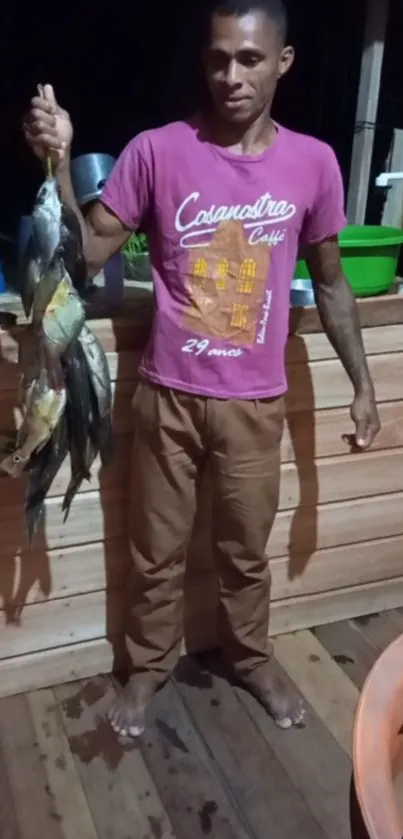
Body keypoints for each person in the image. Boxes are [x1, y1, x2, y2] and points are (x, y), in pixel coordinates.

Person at [23, 0, 380, 737]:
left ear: (282, 62)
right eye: (218, 58)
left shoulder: (312, 162)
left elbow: (335, 281)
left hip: (256, 403)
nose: (231, 76)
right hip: (168, 397)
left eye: (249, 59)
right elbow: (85, 253)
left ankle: (251, 655)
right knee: (154, 552)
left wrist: (363, 384)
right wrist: (61, 161)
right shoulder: (157, 150)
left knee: (245, 550)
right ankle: (147, 667)